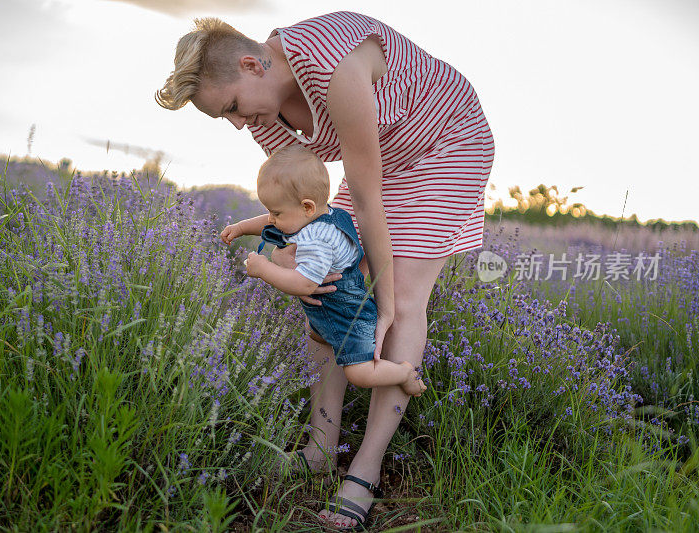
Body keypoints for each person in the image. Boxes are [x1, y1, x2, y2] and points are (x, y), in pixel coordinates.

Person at [156, 11, 494, 530]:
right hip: (383, 164)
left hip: (443, 148)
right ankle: (320, 445)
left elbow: (366, 191)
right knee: (326, 287)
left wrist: (379, 298)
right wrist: (296, 262)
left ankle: (365, 469)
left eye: (233, 107)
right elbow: (298, 203)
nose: (240, 124)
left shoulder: (333, 67)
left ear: (252, 64)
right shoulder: (264, 108)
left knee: (401, 298)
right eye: (225, 117)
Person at [222, 144, 428, 397]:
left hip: (349, 317)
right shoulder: (318, 215)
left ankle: (404, 373)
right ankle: (328, 335)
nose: (271, 218)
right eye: (269, 211)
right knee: (319, 336)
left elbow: (304, 285)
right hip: (328, 315)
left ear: (307, 207)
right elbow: (269, 223)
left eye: (275, 212)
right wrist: (242, 227)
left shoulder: (318, 240)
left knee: (360, 374)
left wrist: (263, 269)